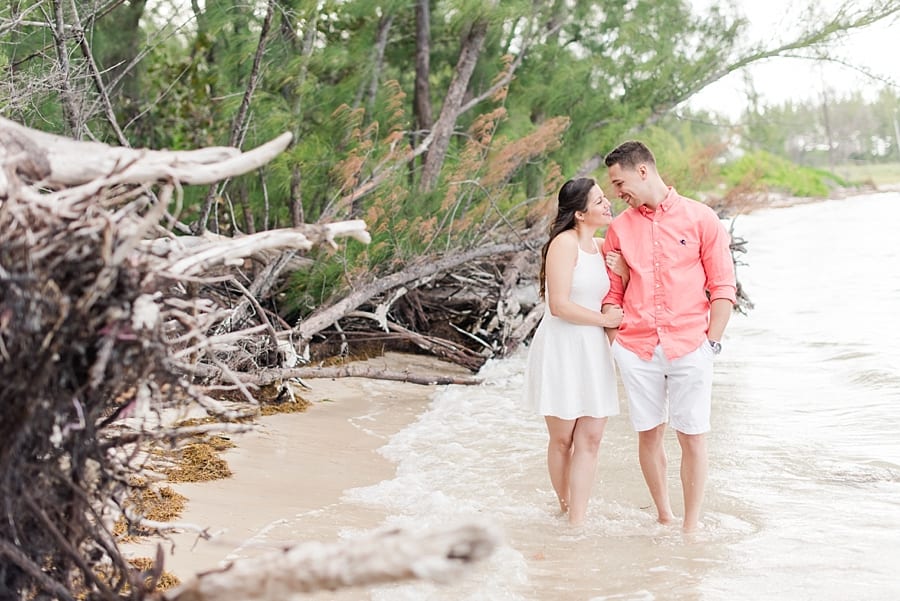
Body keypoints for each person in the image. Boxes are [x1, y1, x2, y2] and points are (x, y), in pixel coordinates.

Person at [601, 140, 736, 532]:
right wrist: (612, 346)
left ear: (643, 170)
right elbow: (613, 294)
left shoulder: (701, 218)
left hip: (691, 345)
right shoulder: (619, 229)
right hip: (636, 348)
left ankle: (690, 528)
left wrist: (711, 343)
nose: (617, 192)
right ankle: (664, 516)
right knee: (648, 435)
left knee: (693, 436)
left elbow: (724, 286)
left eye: (619, 181)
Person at [523, 177, 625, 526]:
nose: (608, 203)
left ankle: (577, 520)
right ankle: (565, 508)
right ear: (580, 213)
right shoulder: (563, 245)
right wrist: (602, 319)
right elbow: (559, 306)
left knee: (592, 437)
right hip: (563, 347)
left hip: (593, 349)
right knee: (563, 438)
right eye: (599, 201)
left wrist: (622, 273)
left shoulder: (602, 246)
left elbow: (621, 293)